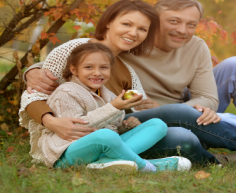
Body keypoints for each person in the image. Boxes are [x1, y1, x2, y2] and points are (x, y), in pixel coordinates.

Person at [22, 0, 236, 166]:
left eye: (139, 28)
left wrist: (197, 108)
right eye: (127, 25)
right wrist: (36, 81)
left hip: (146, 117)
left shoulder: (133, 57)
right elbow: (45, 82)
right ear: (109, 23)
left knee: (224, 88)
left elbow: (138, 101)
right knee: (184, 135)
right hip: (110, 127)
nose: (134, 33)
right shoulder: (96, 50)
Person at [27, 42, 190, 172]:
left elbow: (113, 128)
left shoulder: (108, 94)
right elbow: (76, 130)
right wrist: (113, 107)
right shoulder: (66, 92)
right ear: (74, 70)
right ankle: (149, 167)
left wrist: (126, 127)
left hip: (101, 145)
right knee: (106, 136)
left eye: (103, 67)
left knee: (157, 124)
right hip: (67, 152)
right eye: (89, 67)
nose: (97, 73)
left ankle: (105, 163)